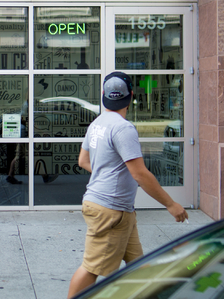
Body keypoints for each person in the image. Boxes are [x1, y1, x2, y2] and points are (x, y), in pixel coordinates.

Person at [67, 72, 188, 298]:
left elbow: (83, 161)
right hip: (111, 210)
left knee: (137, 265)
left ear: (103, 95)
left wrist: (106, 173)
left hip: (117, 209)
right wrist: (171, 204)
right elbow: (140, 173)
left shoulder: (97, 124)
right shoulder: (123, 128)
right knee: (91, 268)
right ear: (131, 96)